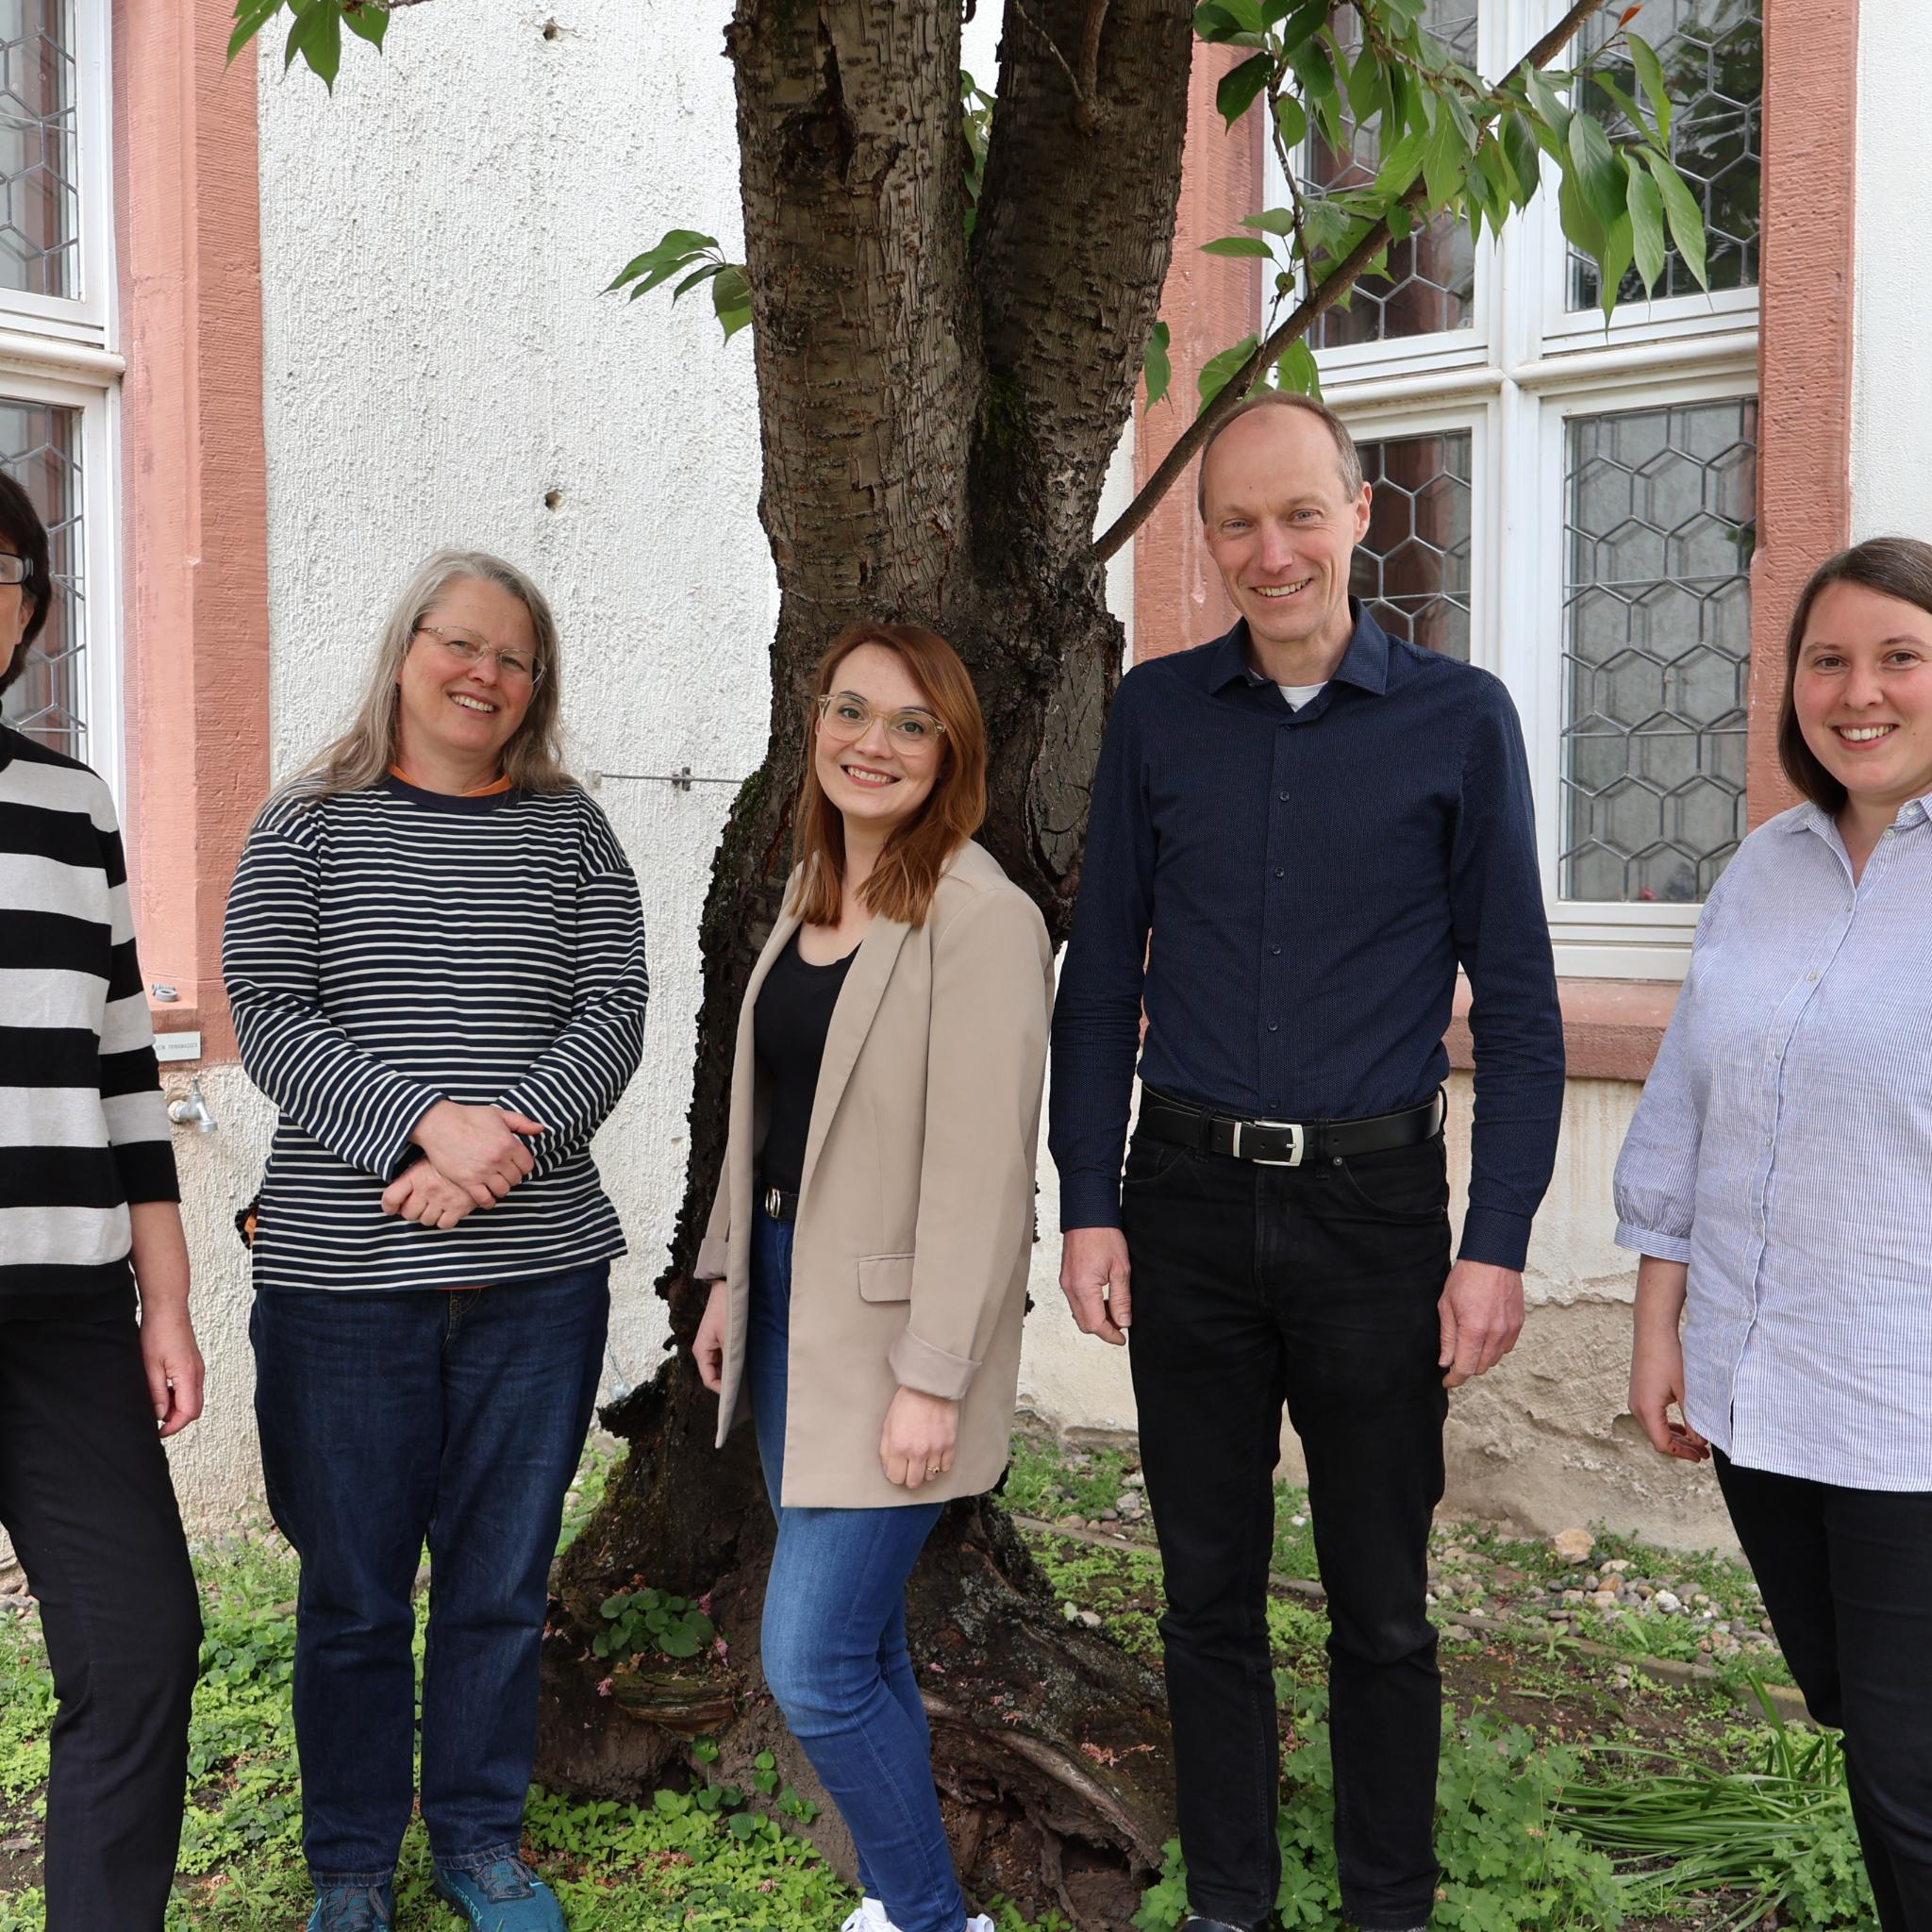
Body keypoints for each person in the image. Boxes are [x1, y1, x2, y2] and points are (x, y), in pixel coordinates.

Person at [1049, 391, 1565, 1932]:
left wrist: (1498, 1241)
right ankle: (1234, 1906)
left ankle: (1388, 1905)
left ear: (1358, 512)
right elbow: (1101, 987)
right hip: (1189, 1203)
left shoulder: (1460, 720)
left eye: (1298, 514)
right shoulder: (1156, 714)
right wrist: (1088, 1202)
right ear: (1205, 544)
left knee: (1383, 1607)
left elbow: (1524, 1011)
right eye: (1235, 523)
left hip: (1376, 1217)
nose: (1270, 551)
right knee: (1205, 1597)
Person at [222, 550, 649, 1932]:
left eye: (514, 658)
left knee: (496, 1587)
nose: (485, 675)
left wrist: (498, 1141)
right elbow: (269, 1012)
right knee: (352, 1595)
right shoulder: (306, 825)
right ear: (405, 650)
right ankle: (349, 1864)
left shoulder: (572, 829)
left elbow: (615, 1007)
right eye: (460, 645)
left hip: (535, 1284)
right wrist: (419, 1130)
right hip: (343, 1289)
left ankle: (477, 1841)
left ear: (539, 684)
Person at [690, 620, 1052, 1932]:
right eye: (853, 711)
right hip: (792, 1307)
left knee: (813, 1663)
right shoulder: (808, 895)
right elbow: (765, 1111)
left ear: (949, 750)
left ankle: (926, 1917)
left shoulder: (982, 916)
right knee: (860, 1644)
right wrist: (731, 1276)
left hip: (900, 1334)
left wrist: (935, 1377)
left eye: (911, 724)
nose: (875, 744)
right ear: (817, 723)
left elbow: (983, 1173)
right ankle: (915, 1910)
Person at [1617, 535, 1932, 1932]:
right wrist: (1655, 1327)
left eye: (1900, 658)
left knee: (1916, 1772)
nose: (1858, 693)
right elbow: (1688, 1105)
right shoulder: (1765, 868)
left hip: (1907, 1414)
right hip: (1759, 1391)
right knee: (1857, 1717)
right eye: (1828, 660)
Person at [0, 467, 204, 1928]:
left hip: (68, 1314)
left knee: (140, 1647)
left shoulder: (73, 812)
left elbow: (126, 1079)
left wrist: (171, 1301)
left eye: (4, 573)